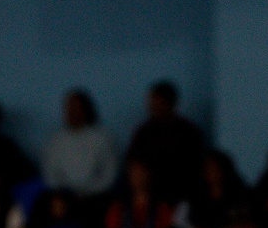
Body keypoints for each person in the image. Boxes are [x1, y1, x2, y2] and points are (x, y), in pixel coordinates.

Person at [125, 79, 208, 210]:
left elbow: (196, 165)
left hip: (181, 194)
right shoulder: (143, 132)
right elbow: (134, 162)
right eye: (152, 103)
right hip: (150, 196)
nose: (155, 108)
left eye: (160, 103)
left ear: (171, 103)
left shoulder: (189, 131)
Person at [42, 88, 120, 201]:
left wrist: (89, 192)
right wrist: (64, 192)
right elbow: (50, 173)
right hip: (64, 199)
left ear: (86, 110)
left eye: (76, 108)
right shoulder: (56, 140)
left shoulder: (102, 138)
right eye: (69, 108)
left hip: (97, 197)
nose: (71, 112)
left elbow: (110, 173)